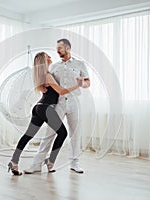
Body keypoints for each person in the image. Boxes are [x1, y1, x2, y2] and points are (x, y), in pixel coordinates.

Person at [8, 52, 83, 176]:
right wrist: (77, 85)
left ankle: (14, 161)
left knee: (28, 136)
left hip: (38, 108)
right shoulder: (48, 76)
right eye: (48, 56)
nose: (50, 57)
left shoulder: (39, 76)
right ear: (44, 60)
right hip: (46, 109)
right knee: (62, 133)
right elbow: (62, 91)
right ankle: (50, 161)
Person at [24, 39, 90, 174]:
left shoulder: (80, 64)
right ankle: (36, 164)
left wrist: (82, 83)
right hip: (58, 103)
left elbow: (88, 82)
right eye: (56, 48)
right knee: (49, 133)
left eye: (60, 48)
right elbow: (46, 81)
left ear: (68, 48)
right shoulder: (53, 67)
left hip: (74, 102)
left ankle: (74, 162)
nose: (57, 51)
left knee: (75, 133)